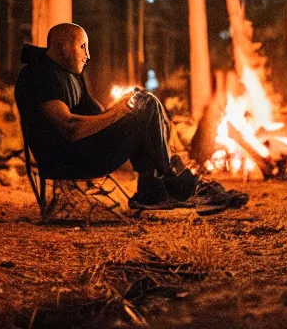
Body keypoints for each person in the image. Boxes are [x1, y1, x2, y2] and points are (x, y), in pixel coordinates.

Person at [15, 23, 199, 209]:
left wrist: (124, 107)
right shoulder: (37, 75)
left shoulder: (72, 75)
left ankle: (154, 190)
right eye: (82, 47)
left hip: (84, 150)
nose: (88, 55)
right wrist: (118, 112)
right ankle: (171, 186)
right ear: (62, 46)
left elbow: (98, 116)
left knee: (144, 101)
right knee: (148, 105)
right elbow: (70, 127)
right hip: (65, 159)